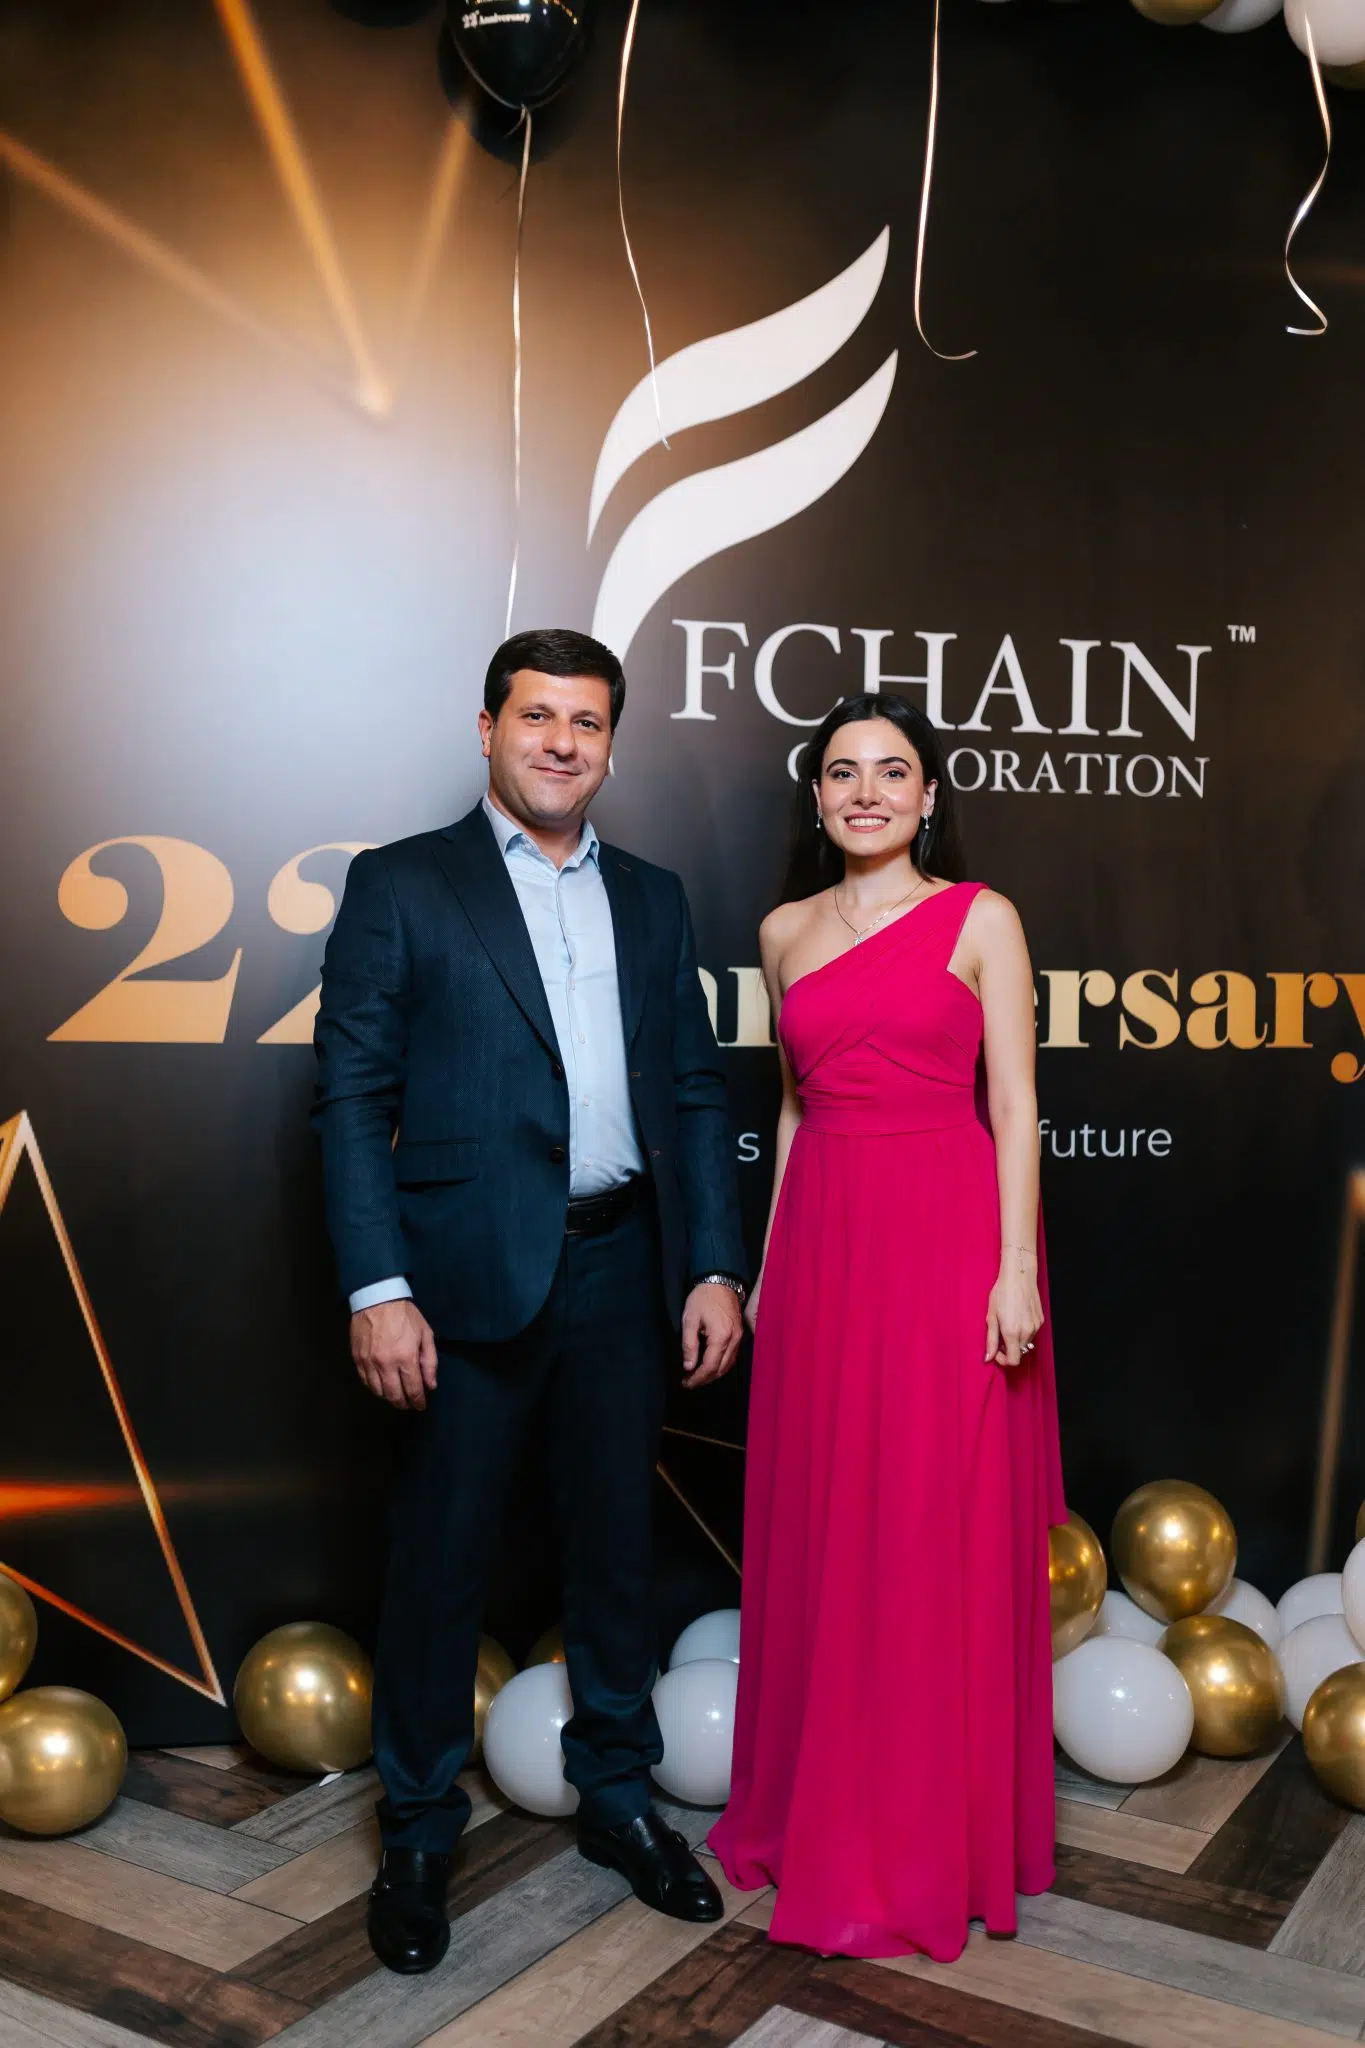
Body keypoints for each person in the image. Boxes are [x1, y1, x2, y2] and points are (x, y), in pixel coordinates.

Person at [313, 628, 748, 1975]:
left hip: (625, 1264)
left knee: (615, 1550)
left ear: (611, 742)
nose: (562, 741)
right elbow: (351, 1097)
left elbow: (693, 1089)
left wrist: (713, 1263)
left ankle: (617, 1797)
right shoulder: (403, 883)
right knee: (440, 1561)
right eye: (537, 715)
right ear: (488, 727)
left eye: (587, 721)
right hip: (458, 1279)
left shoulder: (656, 896)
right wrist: (378, 1285)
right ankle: (417, 1832)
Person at [708, 692, 1066, 1962]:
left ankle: (927, 1831)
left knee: (927, 1521)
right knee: (828, 1521)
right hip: (826, 1243)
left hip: (946, 1239)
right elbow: (795, 1110)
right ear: (816, 797)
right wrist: (768, 1268)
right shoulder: (784, 930)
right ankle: (825, 1804)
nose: (868, 791)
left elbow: (1015, 1104)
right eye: (844, 772)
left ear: (928, 795)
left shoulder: (982, 917)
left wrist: (1014, 1269)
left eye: (893, 771)